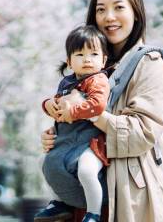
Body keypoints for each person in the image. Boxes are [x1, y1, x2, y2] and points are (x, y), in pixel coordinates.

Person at [41, 0, 163, 222]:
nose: (109, 17)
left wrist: (89, 112)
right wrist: (57, 132)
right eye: (101, 10)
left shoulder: (149, 65)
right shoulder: (88, 66)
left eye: (119, 7)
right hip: (84, 195)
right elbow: (76, 117)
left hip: (128, 197)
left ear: (136, 12)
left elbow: (142, 132)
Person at [35, 25, 111, 222]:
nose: (87, 59)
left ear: (103, 60)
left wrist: (73, 111)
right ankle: (59, 201)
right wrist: (48, 104)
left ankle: (93, 213)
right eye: (80, 54)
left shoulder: (98, 80)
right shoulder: (67, 83)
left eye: (94, 54)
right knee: (48, 163)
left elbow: (98, 105)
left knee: (86, 170)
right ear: (69, 61)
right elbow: (58, 103)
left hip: (91, 142)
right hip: (69, 139)